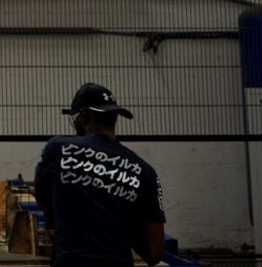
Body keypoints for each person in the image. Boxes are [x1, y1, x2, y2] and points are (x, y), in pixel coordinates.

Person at [34, 83, 166, 267]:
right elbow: (154, 254)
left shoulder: (58, 149)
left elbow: (44, 200)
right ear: (115, 118)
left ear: (84, 116)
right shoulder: (146, 172)